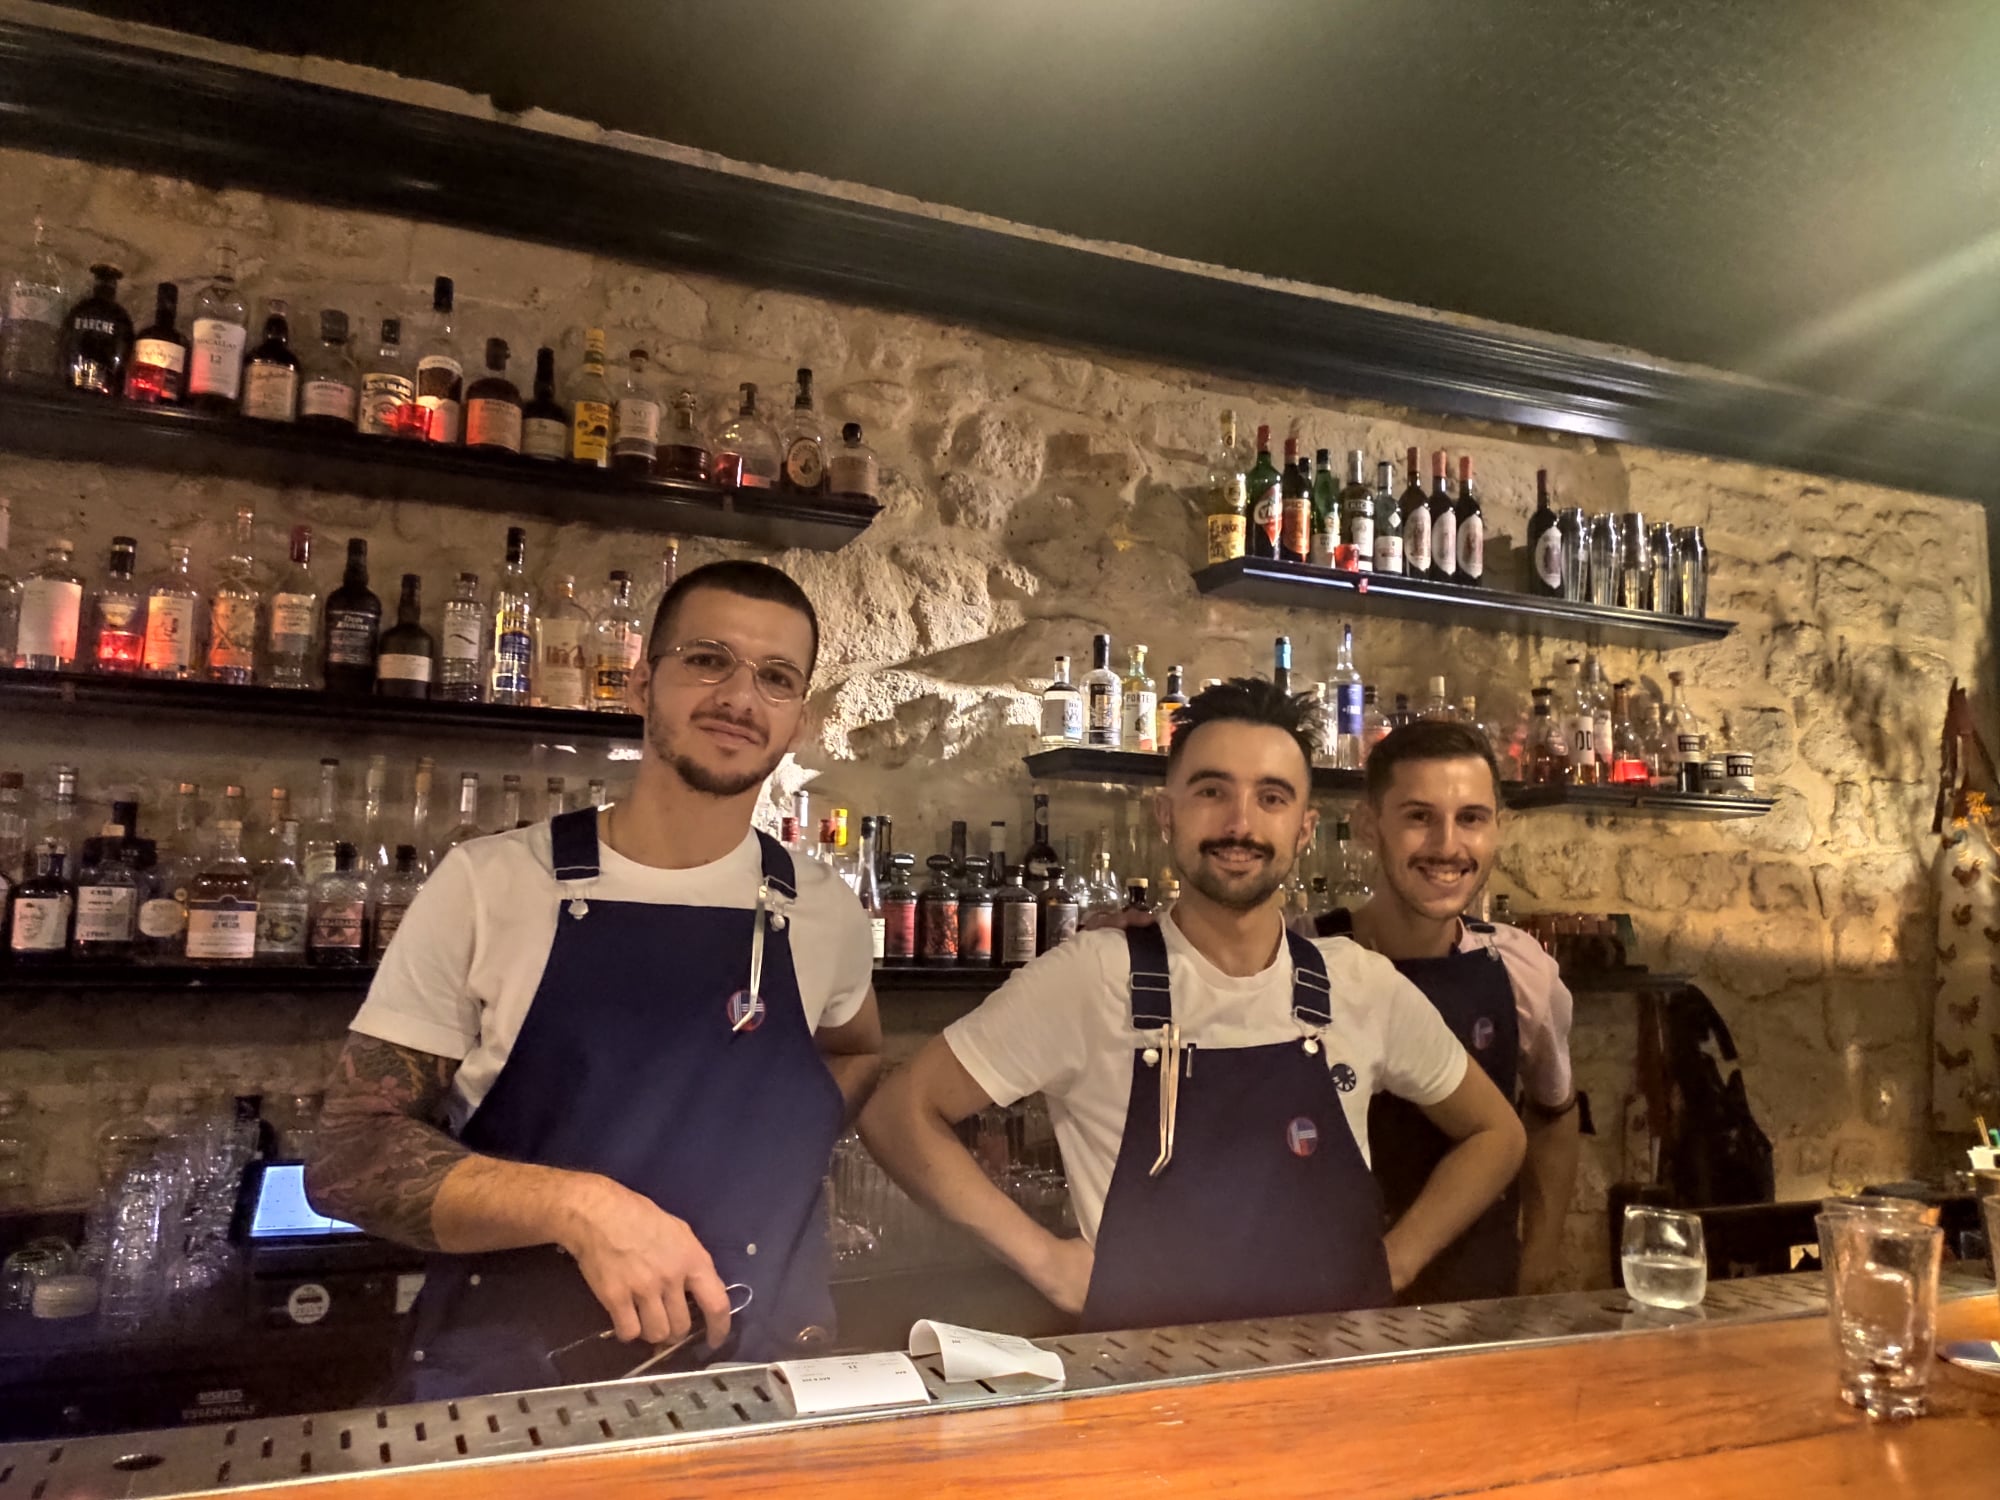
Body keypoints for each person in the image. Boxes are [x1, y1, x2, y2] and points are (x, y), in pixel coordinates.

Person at [304, 561, 882, 1397]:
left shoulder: (822, 908)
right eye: (707, 659)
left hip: (764, 1369)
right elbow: (349, 1156)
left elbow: (858, 1052)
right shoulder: (493, 884)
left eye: (776, 677)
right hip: (519, 1385)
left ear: (798, 719)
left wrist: (776, 1148)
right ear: (643, 679)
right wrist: (581, 1208)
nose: (738, 697)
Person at [860, 678, 1524, 1329]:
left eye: (1271, 798)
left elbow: (1497, 1135)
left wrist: (1396, 1263)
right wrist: (1047, 1262)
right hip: (1148, 1393)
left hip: (1331, 1388)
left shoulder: (1360, 984)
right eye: (1212, 792)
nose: (1240, 824)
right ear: (1166, 814)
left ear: (1304, 829)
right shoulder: (1093, 978)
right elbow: (900, 1115)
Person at [1322, 719, 1579, 1302]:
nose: (1447, 845)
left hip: (1479, 1307)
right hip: (1326, 1308)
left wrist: (1537, 1265)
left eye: (1471, 818)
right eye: (1418, 816)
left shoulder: (1521, 968)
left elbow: (1555, 1115)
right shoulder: (1304, 957)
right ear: (1368, 827)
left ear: (1497, 829)